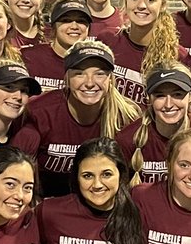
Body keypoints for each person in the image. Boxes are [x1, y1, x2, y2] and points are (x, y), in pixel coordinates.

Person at [14, 40, 139, 197]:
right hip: (45, 201)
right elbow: (14, 171)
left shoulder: (126, 118)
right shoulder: (40, 113)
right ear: (66, 78)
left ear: (111, 79)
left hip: (100, 202)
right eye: (79, 73)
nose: (89, 83)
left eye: (99, 74)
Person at [116, 64, 191, 183]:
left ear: (190, 97)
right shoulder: (128, 139)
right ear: (149, 98)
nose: (168, 104)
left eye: (177, 94)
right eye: (160, 96)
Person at [104, 0, 191, 105]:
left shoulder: (178, 56)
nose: (141, 5)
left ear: (162, 5)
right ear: (125, 1)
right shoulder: (108, 41)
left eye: (150, 0)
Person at [22, 0, 93, 92]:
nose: (74, 26)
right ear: (53, 26)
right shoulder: (28, 57)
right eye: (66, 20)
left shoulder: (95, 64)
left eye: (81, 21)